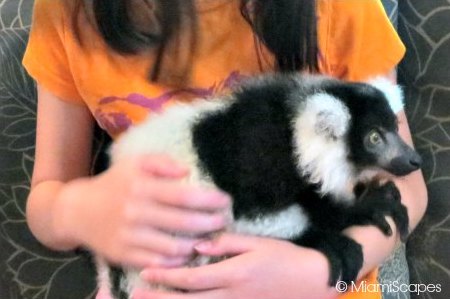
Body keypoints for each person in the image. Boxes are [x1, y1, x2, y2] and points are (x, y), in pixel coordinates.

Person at [23, 0, 428, 299]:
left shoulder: (343, 8)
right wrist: (79, 209)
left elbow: (407, 190)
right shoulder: (67, 12)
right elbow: (48, 196)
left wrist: (317, 272)